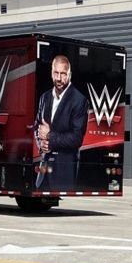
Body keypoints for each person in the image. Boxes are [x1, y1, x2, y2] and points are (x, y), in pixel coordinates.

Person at [35, 54, 89, 189]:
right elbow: (37, 127)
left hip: (64, 172)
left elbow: (76, 138)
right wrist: (41, 144)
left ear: (69, 74)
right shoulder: (44, 97)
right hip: (44, 171)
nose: (59, 78)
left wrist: (49, 136)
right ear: (51, 73)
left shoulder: (79, 100)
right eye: (56, 73)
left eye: (63, 74)